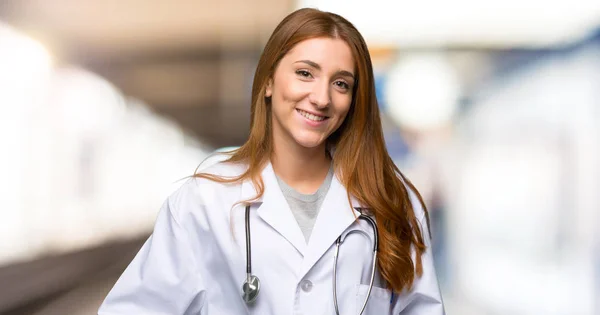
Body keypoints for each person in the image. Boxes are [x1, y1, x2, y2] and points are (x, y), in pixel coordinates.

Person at [98, 8, 444, 315]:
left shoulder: (391, 202)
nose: (321, 98)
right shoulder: (204, 203)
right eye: (305, 73)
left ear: (354, 99)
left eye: (341, 84)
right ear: (267, 81)